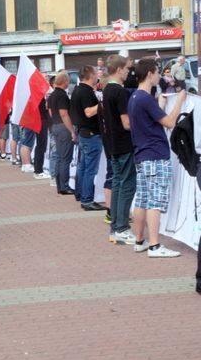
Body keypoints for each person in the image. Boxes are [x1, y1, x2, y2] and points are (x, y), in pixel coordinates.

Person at [128, 58, 187, 257]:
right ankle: (154, 246)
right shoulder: (144, 98)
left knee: (143, 200)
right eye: (157, 71)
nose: (160, 75)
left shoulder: (136, 97)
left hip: (143, 155)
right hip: (155, 155)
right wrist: (179, 101)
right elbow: (170, 122)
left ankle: (140, 241)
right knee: (155, 201)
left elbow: (153, 120)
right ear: (149, 74)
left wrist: (159, 104)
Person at [100, 55, 137, 245]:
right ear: (119, 70)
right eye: (127, 68)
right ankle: (122, 227)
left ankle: (116, 227)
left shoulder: (107, 90)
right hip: (123, 144)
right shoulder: (121, 93)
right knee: (126, 185)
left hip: (113, 145)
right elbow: (127, 123)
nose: (129, 71)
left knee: (118, 184)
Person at [70, 66, 107, 211]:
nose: (98, 77)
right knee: (90, 168)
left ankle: (82, 196)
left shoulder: (77, 90)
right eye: (96, 74)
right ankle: (87, 200)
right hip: (90, 134)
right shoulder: (85, 92)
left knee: (84, 167)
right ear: (91, 76)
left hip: (83, 132)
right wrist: (102, 103)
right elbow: (89, 112)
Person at [48, 72, 75, 195]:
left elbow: (50, 112)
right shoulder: (62, 96)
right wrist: (72, 131)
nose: (69, 82)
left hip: (55, 126)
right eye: (68, 80)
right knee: (65, 158)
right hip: (63, 127)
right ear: (64, 81)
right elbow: (64, 114)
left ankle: (60, 185)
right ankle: (64, 186)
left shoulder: (52, 95)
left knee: (59, 157)